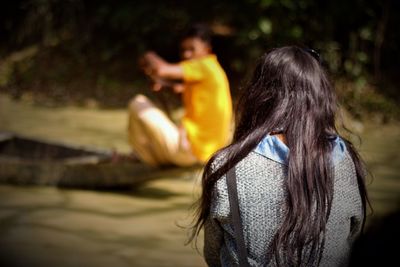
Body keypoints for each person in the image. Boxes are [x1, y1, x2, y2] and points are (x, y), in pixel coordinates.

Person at [189, 46, 369, 266]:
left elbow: (213, 254)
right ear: (321, 97)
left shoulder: (228, 166)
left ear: (258, 96)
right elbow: (353, 237)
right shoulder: (345, 160)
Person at [128, 24, 232, 167]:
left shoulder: (204, 66)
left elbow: (161, 70)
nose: (186, 55)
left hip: (189, 151)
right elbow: (180, 89)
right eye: (183, 50)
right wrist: (166, 86)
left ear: (206, 50)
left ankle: (143, 157)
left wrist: (148, 55)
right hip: (206, 152)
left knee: (137, 102)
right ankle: (147, 155)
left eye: (192, 49)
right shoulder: (213, 70)